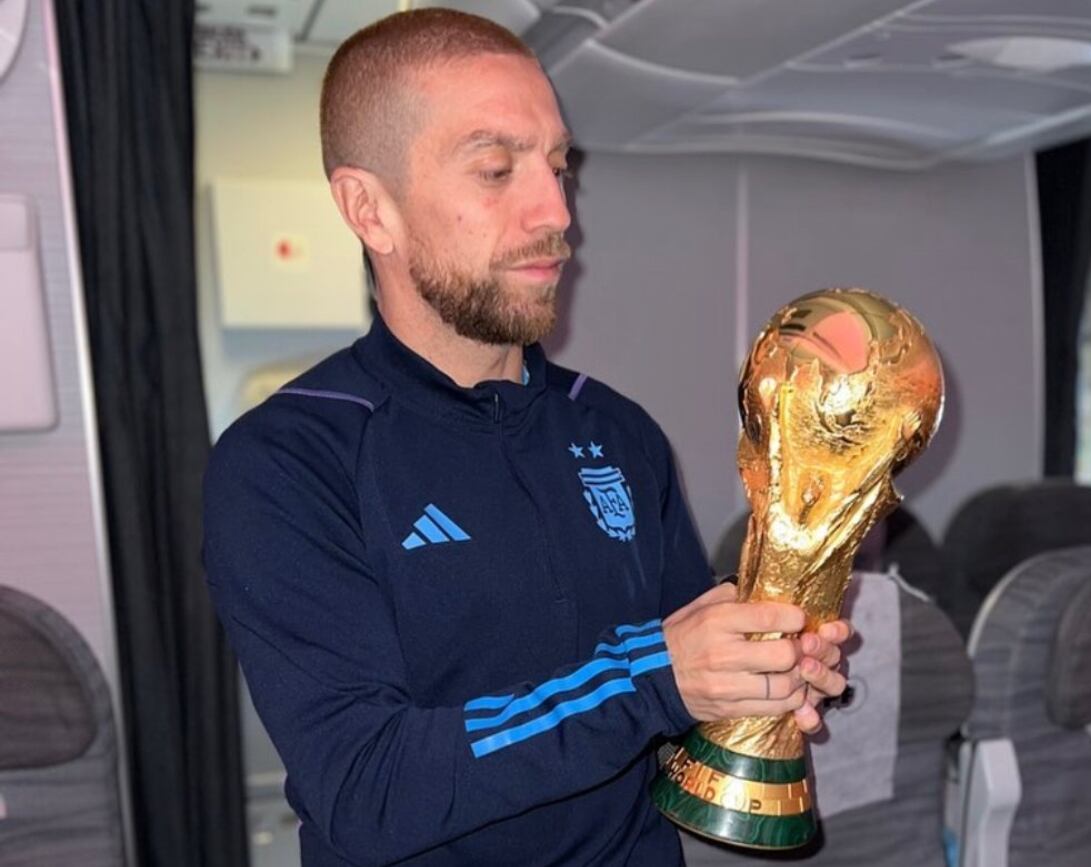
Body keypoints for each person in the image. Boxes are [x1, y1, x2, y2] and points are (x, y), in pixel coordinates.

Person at [202, 9, 851, 866]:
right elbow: (366, 786)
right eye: (496, 169)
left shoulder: (618, 431)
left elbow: (670, 699)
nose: (556, 213)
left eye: (557, 166)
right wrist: (656, 674)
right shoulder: (287, 462)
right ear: (370, 209)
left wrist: (757, 674)